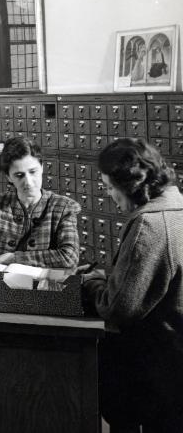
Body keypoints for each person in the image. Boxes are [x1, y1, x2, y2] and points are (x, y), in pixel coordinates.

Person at [78, 138, 183, 432]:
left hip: (161, 369)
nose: (110, 195)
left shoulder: (149, 225)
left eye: (110, 186)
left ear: (132, 185)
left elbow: (118, 309)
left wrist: (94, 281)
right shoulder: (177, 207)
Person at [0, 137, 81, 273]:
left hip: (43, 288)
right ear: (8, 177)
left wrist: (16, 258)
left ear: (42, 168)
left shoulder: (63, 208)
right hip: (1, 285)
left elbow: (69, 257)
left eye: (33, 172)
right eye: (19, 175)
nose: (28, 182)